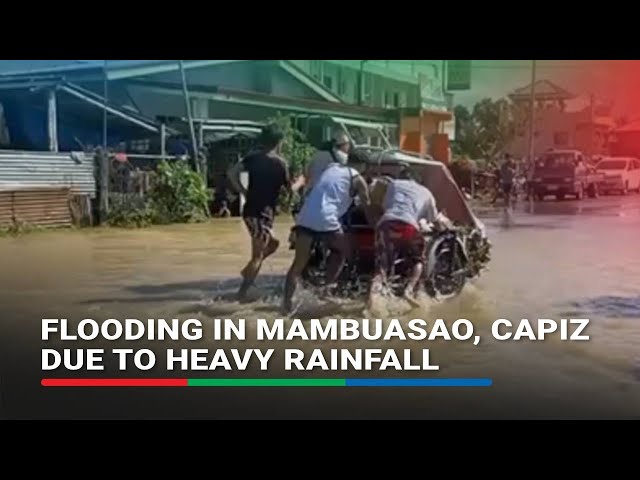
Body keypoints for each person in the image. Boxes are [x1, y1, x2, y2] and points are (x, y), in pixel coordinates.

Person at [282, 161, 372, 314]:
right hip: (326, 219)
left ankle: (286, 305)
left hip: (304, 218)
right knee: (344, 252)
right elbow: (367, 205)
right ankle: (326, 288)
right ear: (363, 166)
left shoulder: (330, 168)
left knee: (297, 265)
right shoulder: (357, 178)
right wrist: (373, 224)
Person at [227, 124, 290, 301]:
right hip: (260, 214)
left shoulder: (252, 158)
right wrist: (302, 181)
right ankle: (242, 293)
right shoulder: (281, 163)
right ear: (279, 142)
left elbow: (232, 173)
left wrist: (243, 191)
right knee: (257, 255)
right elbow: (289, 189)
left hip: (254, 211)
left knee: (274, 244)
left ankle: (248, 271)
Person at [368, 166, 438, 308]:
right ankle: (409, 290)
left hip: (386, 225)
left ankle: (373, 295)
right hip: (408, 227)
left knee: (382, 264)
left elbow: (385, 205)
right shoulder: (426, 192)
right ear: (417, 180)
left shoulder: (393, 184)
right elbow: (433, 218)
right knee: (418, 260)